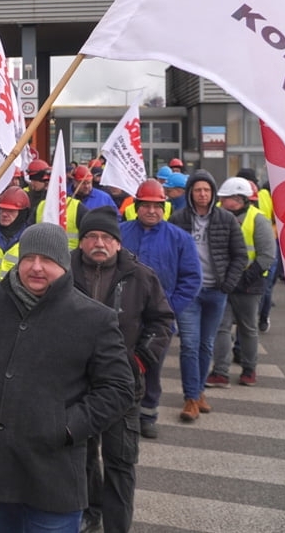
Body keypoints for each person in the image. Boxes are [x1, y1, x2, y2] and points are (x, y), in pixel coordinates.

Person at [0, 224, 134, 533]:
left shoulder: (94, 318)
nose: (36, 267)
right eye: (29, 258)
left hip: (53, 475)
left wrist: (67, 426)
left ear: (64, 264)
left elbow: (118, 389)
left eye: (47, 260)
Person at [70, 208, 174, 533]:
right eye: (91, 236)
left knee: (121, 461)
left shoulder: (141, 276)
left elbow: (162, 322)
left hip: (123, 387)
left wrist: (138, 361)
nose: (99, 243)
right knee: (82, 456)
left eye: (106, 237)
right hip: (75, 385)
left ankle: (117, 526)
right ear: (81, 241)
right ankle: (90, 512)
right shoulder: (64, 271)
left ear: (117, 242)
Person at [119, 178, 202, 439]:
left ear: (164, 208)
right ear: (137, 207)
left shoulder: (180, 239)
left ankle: (147, 415)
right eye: (146, 205)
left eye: (157, 206)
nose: (151, 211)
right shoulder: (119, 233)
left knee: (151, 368)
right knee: (118, 365)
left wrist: (168, 310)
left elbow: (191, 279)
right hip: (122, 317)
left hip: (159, 323)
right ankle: (120, 413)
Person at [168, 170, 245, 421]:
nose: (202, 194)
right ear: (190, 192)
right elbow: (170, 253)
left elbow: (240, 255)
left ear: (213, 193)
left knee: (206, 344)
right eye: (198, 190)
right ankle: (191, 398)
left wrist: (228, 284)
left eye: (207, 190)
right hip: (189, 293)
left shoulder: (226, 219)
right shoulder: (178, 218)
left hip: (216, 292)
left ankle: (199, 391)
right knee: (189, 345)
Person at [207, 177, 274, 387]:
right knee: (221, 327)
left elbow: (266, 256)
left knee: (248, 329)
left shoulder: (258, 219)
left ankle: (249, 370)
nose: (221, 201)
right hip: (223, 282)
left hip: (249, 283)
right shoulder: (217, 216)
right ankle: (220, 372)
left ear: (240, 199)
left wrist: (243, 278)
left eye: (226, 198)